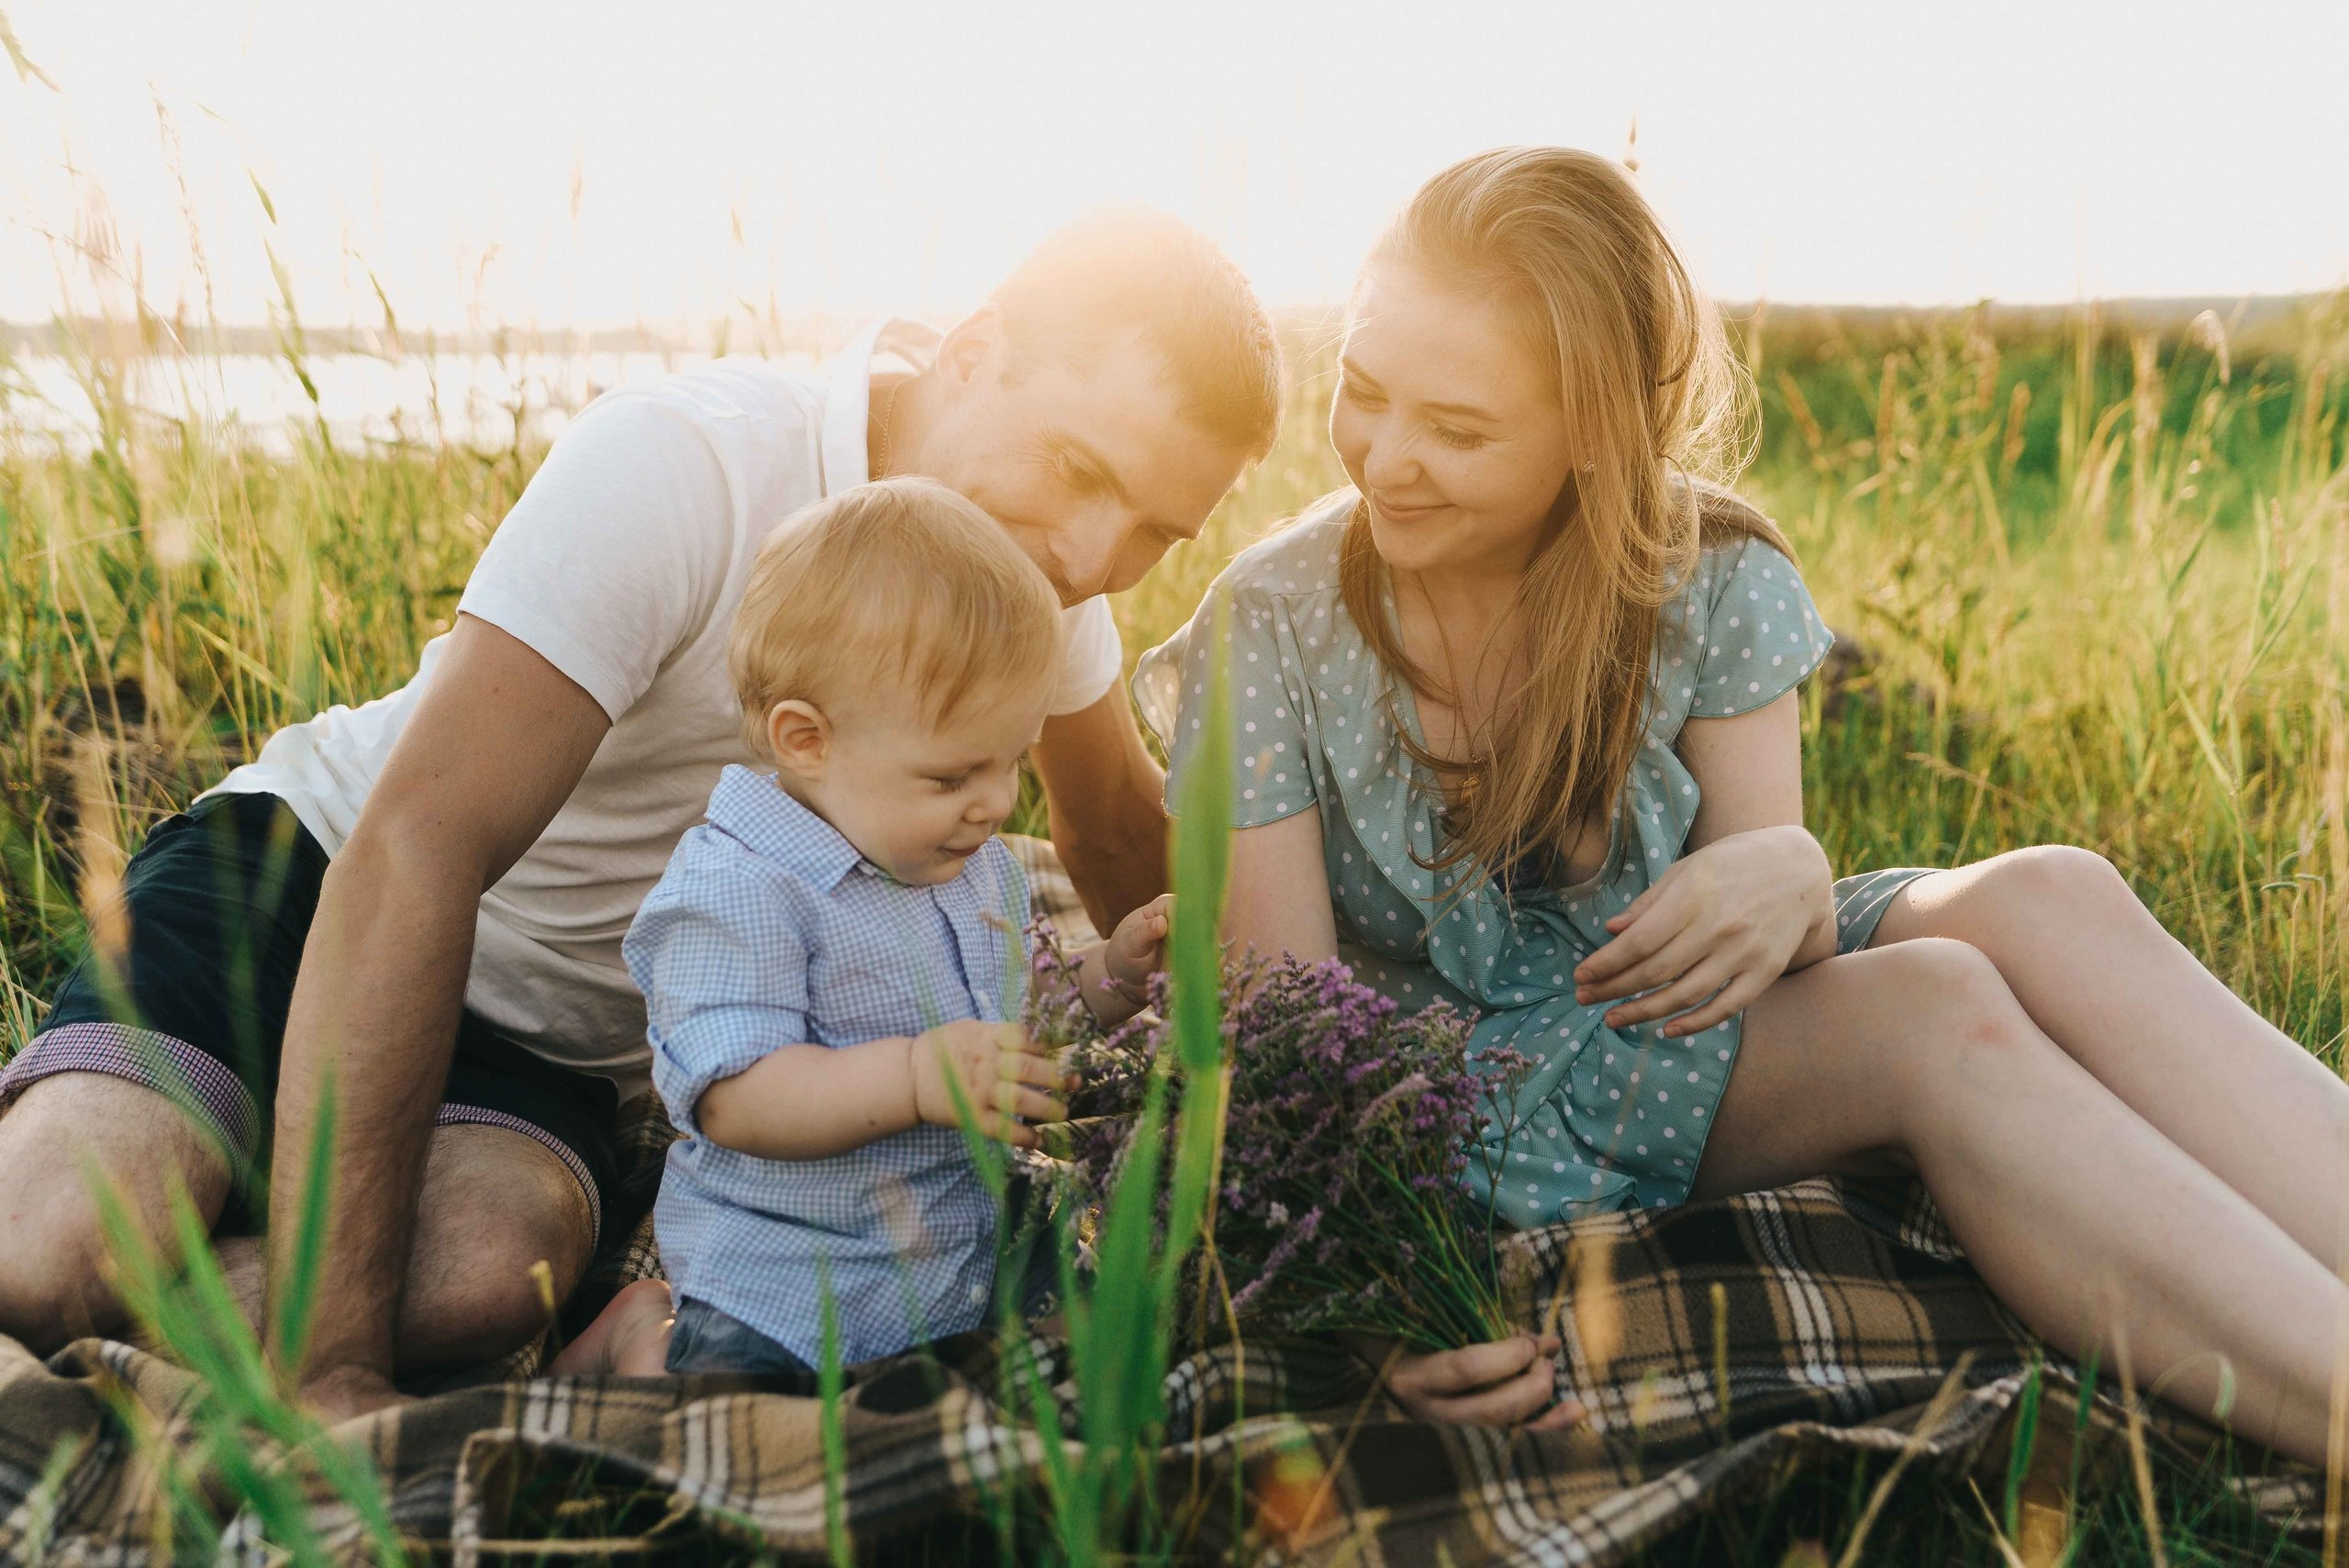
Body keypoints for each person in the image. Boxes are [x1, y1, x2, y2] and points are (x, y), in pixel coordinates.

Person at [1139, 147, 2349, 1462]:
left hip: (1666, 999)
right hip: (1454, 1090)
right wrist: (1377, 1304)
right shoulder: (1268, 621)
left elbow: (1779, 958)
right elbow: (1285, 1037)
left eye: (1462, 428)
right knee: (1939, 1013)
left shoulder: (1708, 570)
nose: (1387, 457)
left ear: (1593, 437)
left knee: (2052, 892)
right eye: (1364, 392)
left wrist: (1785, 869)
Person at [0, 210, 1281, 1420]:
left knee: (495, 1276)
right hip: (301, 883)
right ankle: (235, 1221)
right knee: (49, 1250)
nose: (1088, 554)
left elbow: (1116, 838)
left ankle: (275, 1204)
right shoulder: (692, 463)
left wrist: (1296, 1070)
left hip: (544, 1049)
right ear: (973, 351)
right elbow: (417, 845)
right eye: (1078, 468)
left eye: (1155, 531)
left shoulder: (1034, 588)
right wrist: (332, 1369)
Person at [553, 478, 1173, 1377]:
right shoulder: (738, 892)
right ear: (808, 740)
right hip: (796, 1282)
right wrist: (918, 1075)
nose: (997, 803)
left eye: (1010, 760)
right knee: (715, 1427)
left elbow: (1014, 1020)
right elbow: (736, 1097)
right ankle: (639, 1334)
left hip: (966, 1240)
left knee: (1133, 1282)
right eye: (952, 775)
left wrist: (1109, 975)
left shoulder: (973, 863)